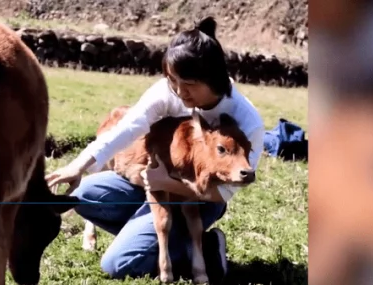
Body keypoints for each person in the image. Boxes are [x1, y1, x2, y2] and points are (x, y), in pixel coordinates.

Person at [45, 16, 265, 283]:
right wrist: (77, 165)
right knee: (83, 194)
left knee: (119, 264)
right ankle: (159, 235)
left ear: (215, 79)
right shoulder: (168, 93)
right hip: (151, 185)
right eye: (173, 81)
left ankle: (190, 247)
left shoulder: (247, 121)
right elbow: (126, 128)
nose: (180, 92)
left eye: (190, 84)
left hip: (202, 198)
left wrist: (167, 183)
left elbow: (225, 191)